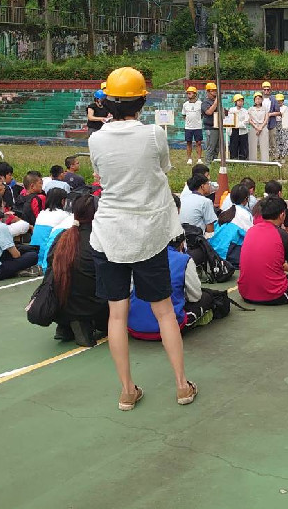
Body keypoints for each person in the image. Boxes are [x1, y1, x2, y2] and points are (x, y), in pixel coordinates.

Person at [89, 66, 195, 410]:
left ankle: (126, 391)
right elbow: (162, 169)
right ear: (141, 102)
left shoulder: (96, 138)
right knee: (164, 313)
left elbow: (101, 175)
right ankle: (181, 385)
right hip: (147, 234)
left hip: (109, 234)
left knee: (116, 316)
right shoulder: (153, 134)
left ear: (107, 102)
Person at [45, 195, 108, 347]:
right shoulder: (100, 239)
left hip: (59, 303)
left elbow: (49, 268)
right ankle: (83, 321)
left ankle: (66, 324)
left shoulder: (63, 236)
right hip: (90, 306)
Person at [128, 242, 215, 338]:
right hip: (166, 328)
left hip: (133, 328)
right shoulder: (184, 259)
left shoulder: (140, 258)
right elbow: (195, 297)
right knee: (207, 297)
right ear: (181, 244)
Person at [30, 188, 74, 269]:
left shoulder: (41, 213)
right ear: (63, 201)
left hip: (33, 256)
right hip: (46, 258)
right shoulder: (64, 215)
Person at [181, 86, 204, 165]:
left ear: (195, 94)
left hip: (198, 127)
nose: (188, 94)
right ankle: (189, 159)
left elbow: (202, 114)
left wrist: (197, 120)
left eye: (190, 93)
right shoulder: (185, 104)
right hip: (188, 127)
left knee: (199, 143)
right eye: (188, 93)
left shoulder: (200, 103)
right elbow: (184, 115)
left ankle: (199, 159)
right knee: (188, 143)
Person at [202, 82, 223, 163]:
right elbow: (209, 112)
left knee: (217, 148)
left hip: (218, 127)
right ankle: (208, 164)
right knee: (211, 147)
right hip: (210, 128)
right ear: (208, 92)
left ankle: (214, 162)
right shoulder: (205, 102)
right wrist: (216, 102)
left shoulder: (217, 102)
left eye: (215, 90)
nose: (215, 92)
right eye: (213, 91)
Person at [247, 92, 269, 162]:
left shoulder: (265, 108)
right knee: (252, 145)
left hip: (263, 127)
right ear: (254, 100)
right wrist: (256, 127)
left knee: (264, 145)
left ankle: (265, 161)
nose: (258, 100)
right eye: (256, 99)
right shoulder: (250, 109)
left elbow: (266, 119)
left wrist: (261, 127)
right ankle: (252, 161)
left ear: (262, 100)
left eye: (259, 99)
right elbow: (249, 120)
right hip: (253, 127)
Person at [228, 94, 249, 160]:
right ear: (235, 102)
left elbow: (246, 121)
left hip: (243, 132)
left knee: (243, 148)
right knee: (233, 147)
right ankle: (233, 162)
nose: (240, 102)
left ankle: (243, 162)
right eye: (239, 101)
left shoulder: (245, 111)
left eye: (242, 101)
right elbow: (231, 120)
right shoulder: (231, 110)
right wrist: (239, 124)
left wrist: (238, 124)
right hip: (234, 131)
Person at [261, 81, 278, 156]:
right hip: (262, 123)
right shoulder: (259, 99)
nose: (266, 91)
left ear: (270, 90)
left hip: (272, 123)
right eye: (264, 89)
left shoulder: (273, 100)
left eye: (268, 89)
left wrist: (270, 114)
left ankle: (273, 157)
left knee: (272, 141)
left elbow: (278, 112)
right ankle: (264, 156)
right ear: (262, 90)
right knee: (263, 141)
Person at [273, 93, 288, 160]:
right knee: (277, 139)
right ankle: (278, 154)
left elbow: (282, 114)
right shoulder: (274, 107)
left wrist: (274, 114)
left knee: (284, 139)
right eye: (277, 101)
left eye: (280, 101)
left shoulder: (285, 108)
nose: (279, 102)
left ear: (283, 101)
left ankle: (284, 155)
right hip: (276, 124)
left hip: (284, 124)